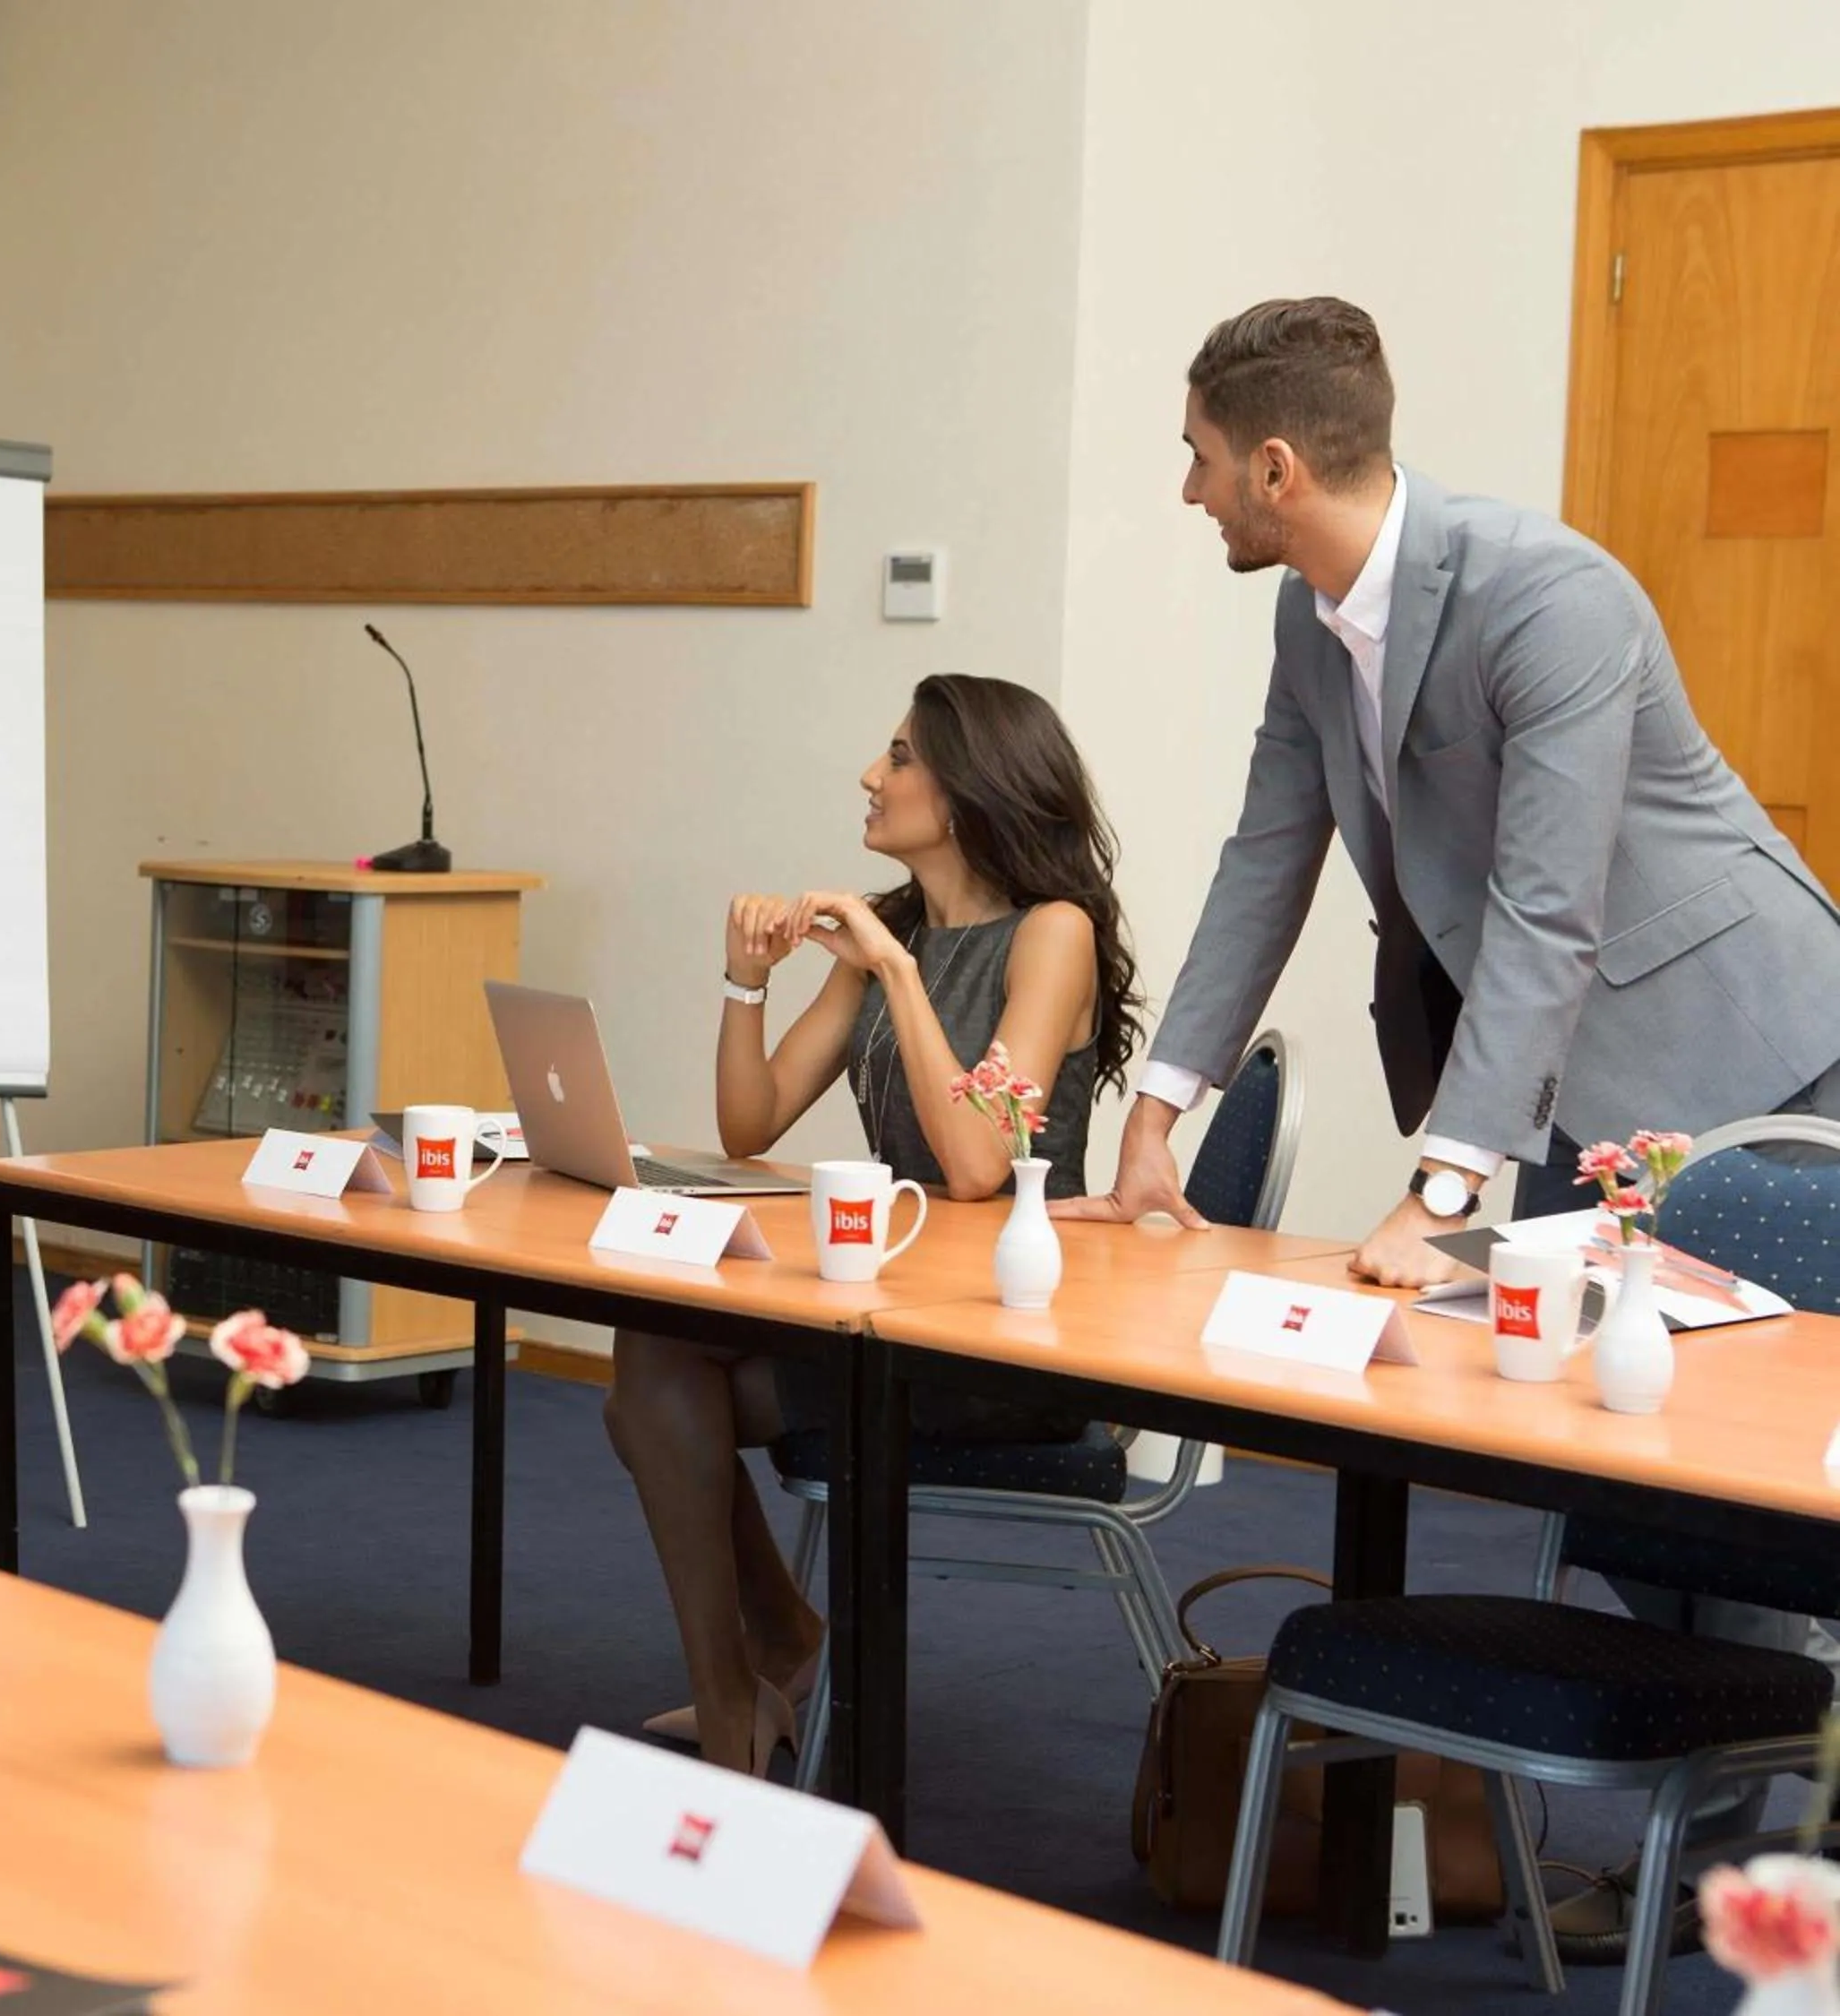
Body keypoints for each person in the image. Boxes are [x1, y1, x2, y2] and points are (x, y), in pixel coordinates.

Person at [1057, 296, 1840, 1959]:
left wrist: (1445, 1185)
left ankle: (1748, 1853)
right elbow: (1266, 857)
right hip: (1564, 1068)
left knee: (1749, 1473)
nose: (1186, 490)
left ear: (1277, 464)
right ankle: (1716, 1849)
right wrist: (1163, 1110)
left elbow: (1550, 912)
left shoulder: (1548, 594)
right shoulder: (1311, 619)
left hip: (1747, 1043)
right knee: (1643, 1486)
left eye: (1198, 460)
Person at [601, 674, 1142, 1774]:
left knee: (659, 1398)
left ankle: (755, 1692)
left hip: (1003, 1340)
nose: (870, 775)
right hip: (886, 1312)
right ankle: (752, 1681)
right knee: (652, 1362)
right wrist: (745, 984)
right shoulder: (891, 930)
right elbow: (749, 1124)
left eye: (899, 757)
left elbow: (981, 1164)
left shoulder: (1054, 934)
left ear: (970, 787)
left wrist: (899, 974)